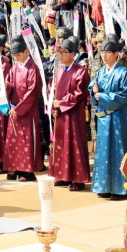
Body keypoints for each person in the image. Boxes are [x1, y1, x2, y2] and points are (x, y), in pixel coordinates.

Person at [89, 38, 127, 199]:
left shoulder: (123, 73)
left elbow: (126, 96)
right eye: (102, 52)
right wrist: (93, 92)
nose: (104, 55)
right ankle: (103, 186)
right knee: (102, 151)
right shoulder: (100, 72)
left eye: (108, 52)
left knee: (118, 150)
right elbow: (92, 87)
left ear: (117, 54)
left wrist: (99, 95)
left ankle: (120, 188)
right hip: (102, 119)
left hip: (117, 118)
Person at [48, 36, 91, 191]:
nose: (60, 55)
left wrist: (62, 102)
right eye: (59, 52)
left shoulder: (80, 71)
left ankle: (77, 179)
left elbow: (80, 93)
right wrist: (53, 105)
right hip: (60, 114)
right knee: (60, 145)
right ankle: (62, 176)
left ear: (73, 54)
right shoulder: (58, 71)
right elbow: (51, 90)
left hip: (74, 114)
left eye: (64, 52)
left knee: (74, 144)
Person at [3, 36, 44, 182]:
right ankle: (14, 168)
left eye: (18, 54)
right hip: (14, 108)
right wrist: (4, 94)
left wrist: (19, 108)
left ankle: (26, 171)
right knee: (14, 140)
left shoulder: (33, 68)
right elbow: (9, 85)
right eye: (14, 56)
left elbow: (33, 91)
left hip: (27, 110)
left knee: (26, 140)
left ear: (26, 51)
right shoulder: (14, 68)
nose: (17, 57)